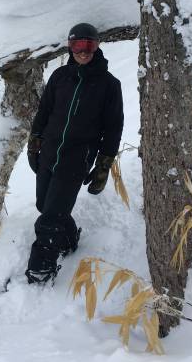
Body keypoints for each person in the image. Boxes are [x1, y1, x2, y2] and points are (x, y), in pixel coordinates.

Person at [25, 23, 123, 284]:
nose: (83, 51)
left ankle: (41, 268)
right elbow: (44, 112)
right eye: (78, 46)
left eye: (88, 45)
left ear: (97, 46)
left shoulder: (109, 85)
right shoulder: (59, 77)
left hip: (77, 157)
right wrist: (35, 142)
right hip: (49, 151)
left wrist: (103, 166)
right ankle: (69, 241)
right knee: (44, 204)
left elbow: (113, 129)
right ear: (70, 47)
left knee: (50, 217)